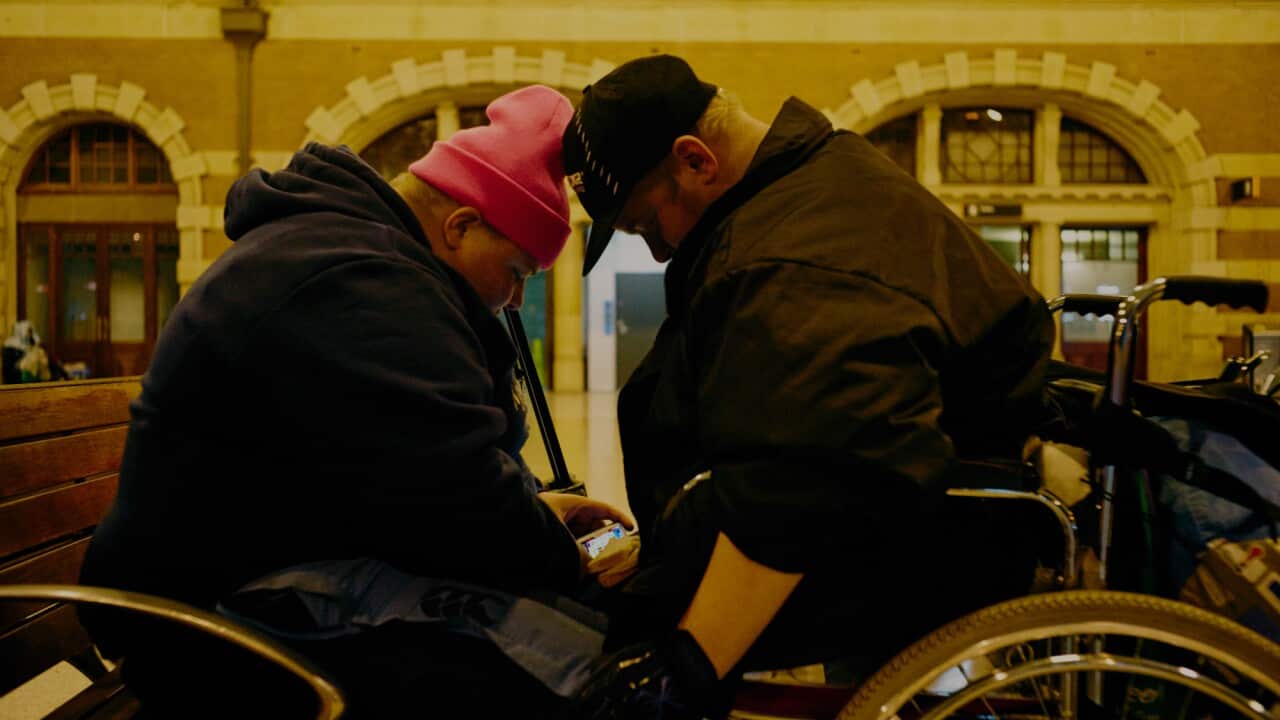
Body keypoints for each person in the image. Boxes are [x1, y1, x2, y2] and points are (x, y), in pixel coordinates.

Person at [80, 84, 630, 718]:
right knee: (573, 677)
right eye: (518, 272)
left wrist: (536, 511)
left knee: (558, 634)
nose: (512, 302)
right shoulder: (356, 276)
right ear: (460, 226)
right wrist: (566, 556)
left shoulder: (349, 252)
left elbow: (415, 472)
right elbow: (453, 498)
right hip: (200, 627)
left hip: (250, 577)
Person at [561, 55, 1056, 718]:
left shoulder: (793, 254)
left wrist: (691, 662)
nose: (655, 251)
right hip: (917, 532)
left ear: (696, 160)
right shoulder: (816, 188)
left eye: (648, 223)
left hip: (898, 558)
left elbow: (804, 483)